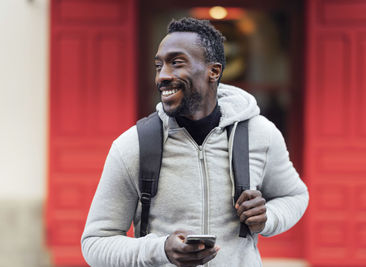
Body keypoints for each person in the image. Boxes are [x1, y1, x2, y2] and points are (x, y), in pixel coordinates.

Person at [81, 17, 309, 267]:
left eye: (176, 63)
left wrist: (268, 218)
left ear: (214, 71)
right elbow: (95, 242)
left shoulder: (260, 134)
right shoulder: (132, 145)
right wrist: (160, 250)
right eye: (159, 66)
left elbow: (294, 196)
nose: (162, 77)